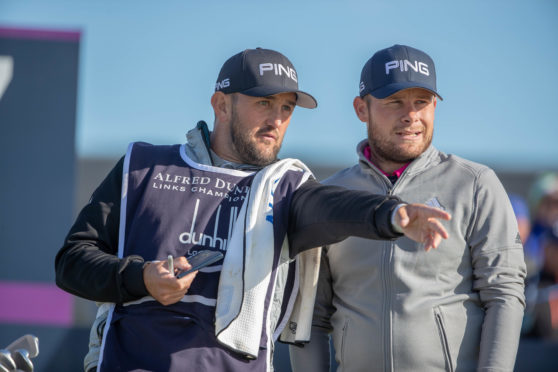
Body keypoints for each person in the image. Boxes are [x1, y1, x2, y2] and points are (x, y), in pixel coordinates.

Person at [54, 47, 451, 372]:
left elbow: (334, 206)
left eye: (286, 107)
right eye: (264, 103)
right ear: (221, 104)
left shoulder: (288, 188)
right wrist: (141, 277)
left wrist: (391, 214)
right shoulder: (144, 166)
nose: (276, 120)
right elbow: (71, 263)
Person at [289, 44, 527, 372]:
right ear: (361, 109)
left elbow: (504, 295)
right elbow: (309, 318)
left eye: (422, 102)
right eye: (395, 101)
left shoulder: (475, 184)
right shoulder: (331, 196)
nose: (411, 115)